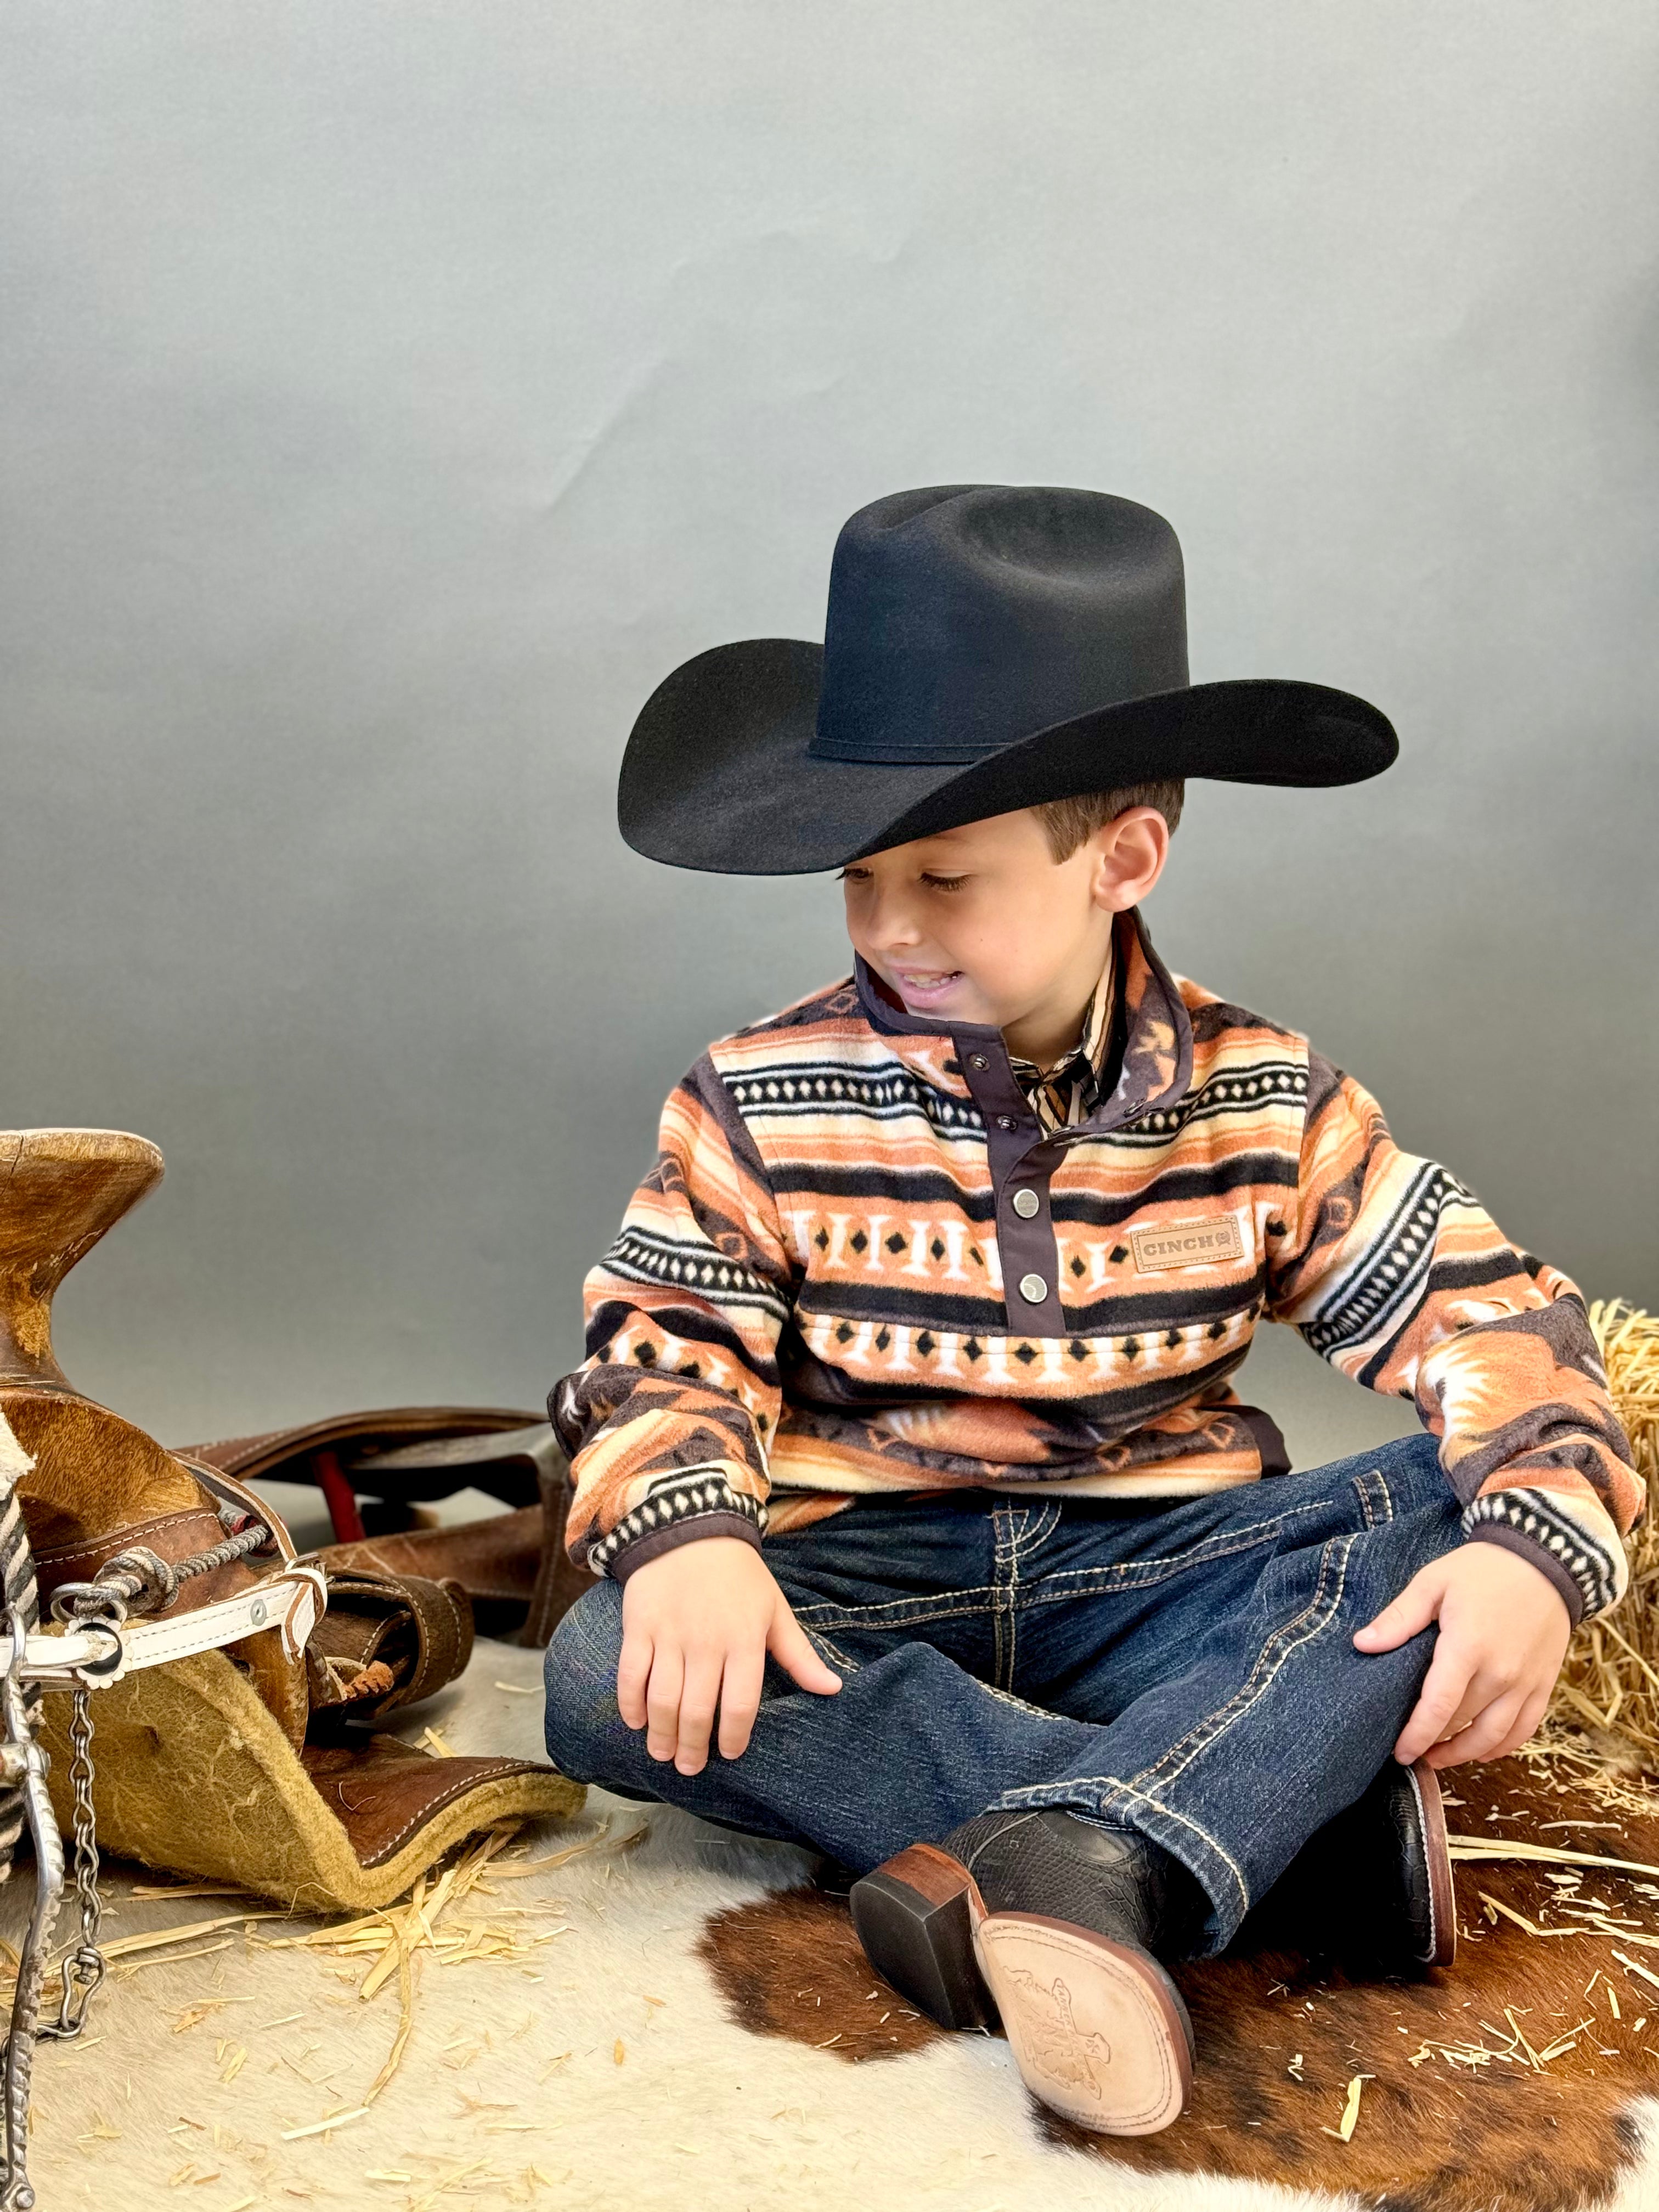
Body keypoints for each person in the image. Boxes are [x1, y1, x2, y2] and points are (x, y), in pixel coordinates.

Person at [541, 486, 1638, 2134]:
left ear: (1122, 858)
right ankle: (1208, 1829)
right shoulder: (758, 1094)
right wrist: (689, 1530)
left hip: (1157, 1577)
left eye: (948, 877)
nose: (890, 926)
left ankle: (1092, 1832)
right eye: (860, 878)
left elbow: (1492, 1322)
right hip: (861, 1586)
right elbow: (658, 1356)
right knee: (602, 1654)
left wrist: (1527, 1545)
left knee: (1438, 1506)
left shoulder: (1263, 1098)